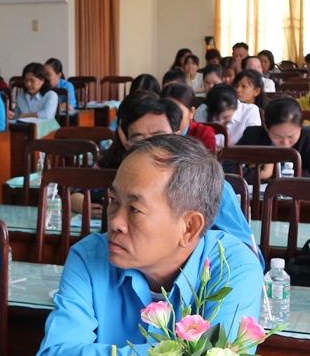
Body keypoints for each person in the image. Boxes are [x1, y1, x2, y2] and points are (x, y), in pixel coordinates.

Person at [34, 135, 264, 356]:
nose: (115, 222)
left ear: (189, 227)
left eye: (134, 209)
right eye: (113, 201)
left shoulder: (234, 268)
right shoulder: (89, 257)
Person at [99, 93, 256, 250]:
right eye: (138, 140)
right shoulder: (121, 184)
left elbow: (247, 252)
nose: (149, 147)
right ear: (127, 144)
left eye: (158, 137)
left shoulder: (211, 187)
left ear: (177, 137)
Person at [229, 95, 310, 181]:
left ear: (301, 126)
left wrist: (272, 172)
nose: (285, 143)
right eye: (277, 136)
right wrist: (262, 173)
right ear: (266, 127)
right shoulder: (253, 134)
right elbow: (226, 167)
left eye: (291, 136)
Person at [195, 84, 260, 147]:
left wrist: (227, 152)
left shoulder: (250, 111)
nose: (221, 121)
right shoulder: (202, 111)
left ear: (236, 106)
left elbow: (252, 143)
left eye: (226, 117)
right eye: (215, 117)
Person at [160, 84, 216, 153]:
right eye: (168, 111)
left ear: (192, 112)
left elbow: (209, 162)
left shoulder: (204, 133)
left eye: (179, 111)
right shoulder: (155, 132)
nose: (172, 116)